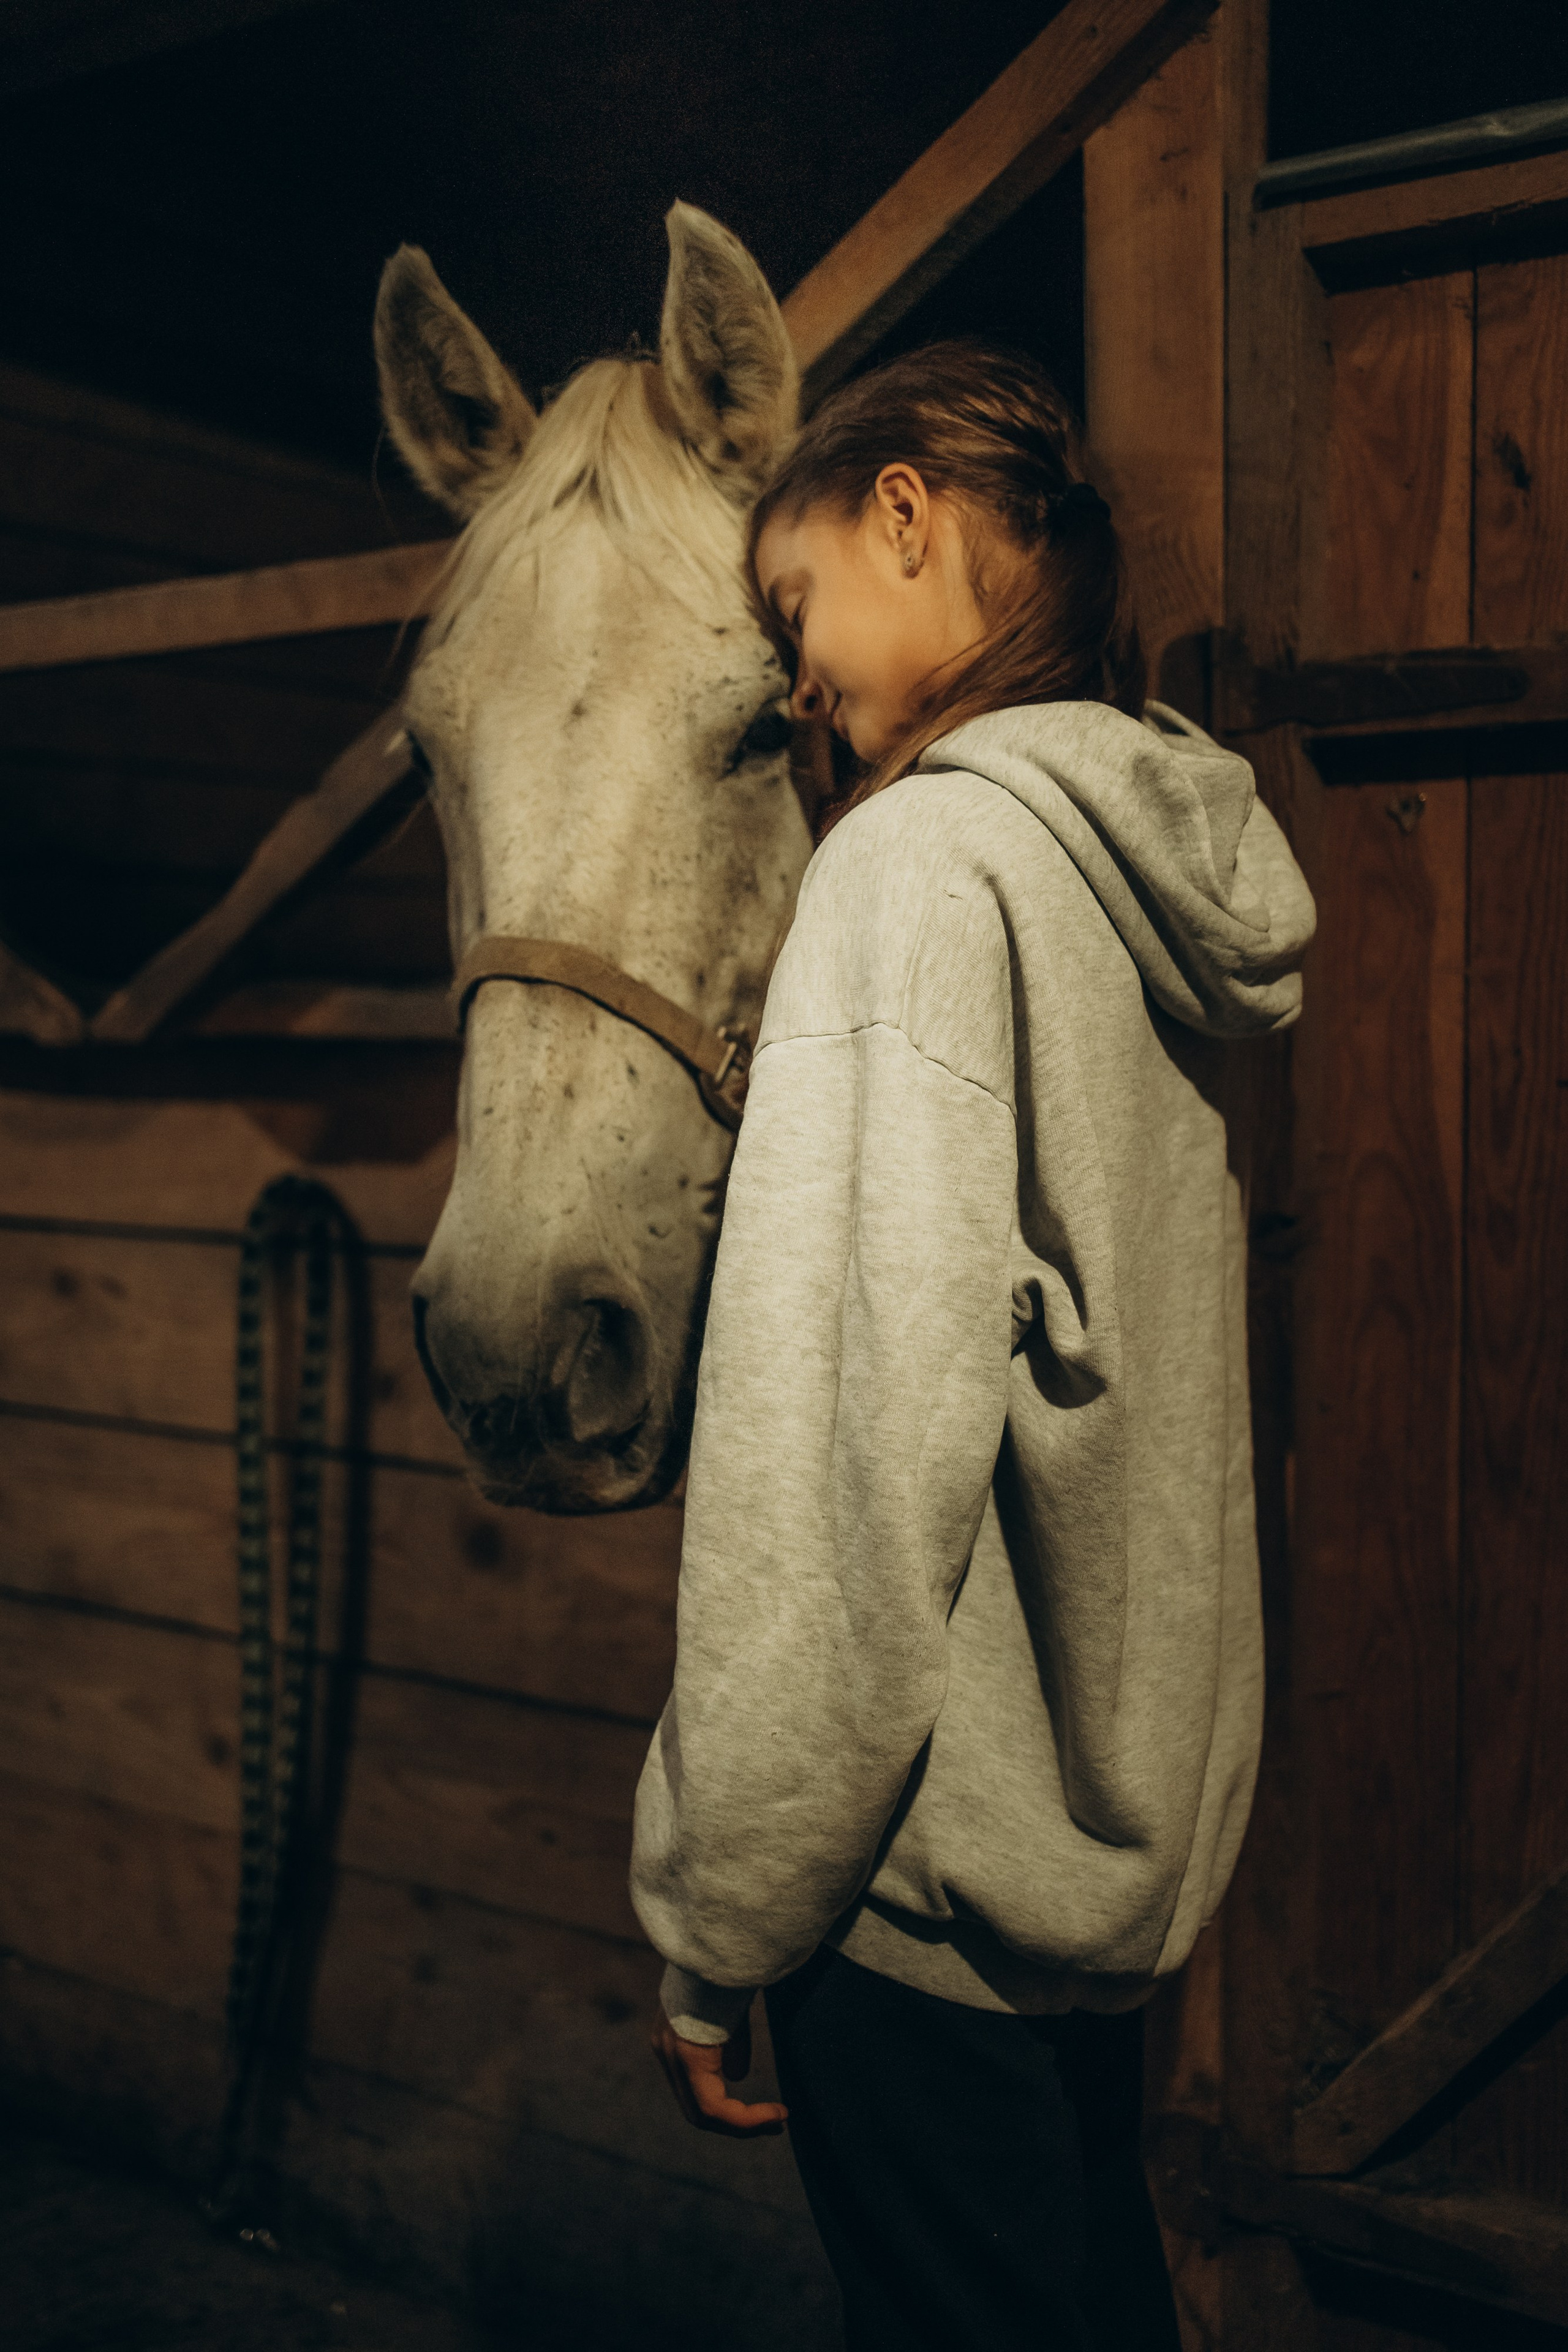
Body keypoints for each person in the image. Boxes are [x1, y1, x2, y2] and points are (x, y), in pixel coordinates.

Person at [629, 341, 1315, 2350]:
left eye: (796, 601)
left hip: (919, 1895)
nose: (794, 670)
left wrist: (718, 1909)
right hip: (1091, 1869)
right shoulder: (1148, 892)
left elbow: (840, 1465)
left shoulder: (914, 872)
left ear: (909, 514)